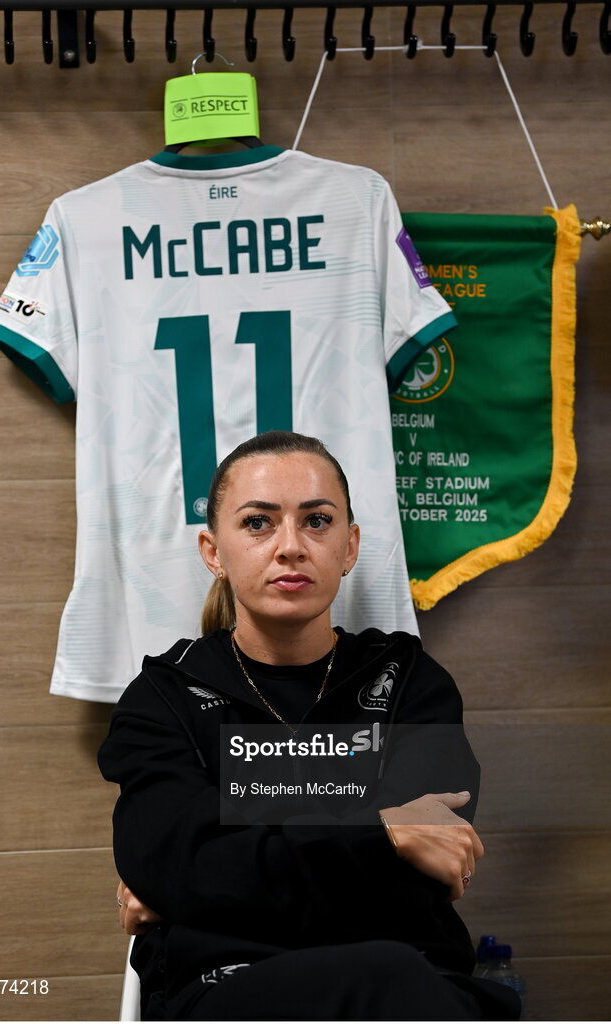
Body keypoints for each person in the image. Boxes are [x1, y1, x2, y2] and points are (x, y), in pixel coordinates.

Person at [98, 430, 521, 1021]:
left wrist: (211, 870)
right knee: (388, 976)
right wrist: (383, 831)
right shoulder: (164, 697)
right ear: (213, 551)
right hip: (230, 988)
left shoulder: (407, 682)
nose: (291, 546)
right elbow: (176, 867)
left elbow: (428, 875)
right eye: (257, 523)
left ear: (349, 547)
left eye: (317, 521)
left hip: (414, 979)